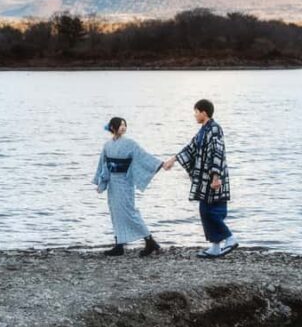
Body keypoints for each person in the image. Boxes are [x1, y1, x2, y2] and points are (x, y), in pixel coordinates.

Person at [164, 99, 238, 258]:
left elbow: (218, 153)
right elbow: (190, 148)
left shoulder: (215, 129)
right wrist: (173, 159)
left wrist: (216, 177)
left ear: (204, 112)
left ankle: (230, 238)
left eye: (196, 112)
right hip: (205, 178)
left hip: (214, 178)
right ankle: (215, 246)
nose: (194, 115)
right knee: (204, 210)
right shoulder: (203, 130)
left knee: (214, 211)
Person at [93, 117, 162, 257]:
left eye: (125, 125)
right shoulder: (107, 145)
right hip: (113, 182)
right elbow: (103, 164)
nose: (123, 127)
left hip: (125, 181)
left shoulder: (130, 143)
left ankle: (150, 241)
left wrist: (159, 164)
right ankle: (119, 245)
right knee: (115, 213)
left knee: (130, 212)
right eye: (120, 125)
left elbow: (143, 156)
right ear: (113, 127)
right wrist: (102, 182)